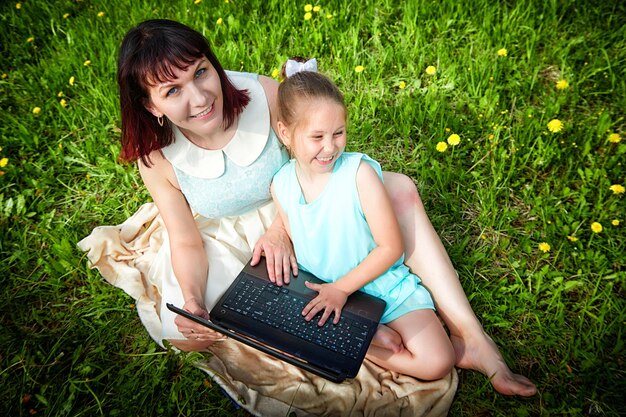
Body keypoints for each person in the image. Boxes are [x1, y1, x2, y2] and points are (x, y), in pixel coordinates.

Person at [114, 19, 536, 396]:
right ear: (151, 106)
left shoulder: (262, 93)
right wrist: (191, 297)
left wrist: (281, 227)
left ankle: (471, 334)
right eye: (173, 90)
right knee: (189, 332)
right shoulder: (156, 157)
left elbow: (312, 152)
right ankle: (361, 336)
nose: (201, 96)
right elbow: (184, 238)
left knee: (401, 190)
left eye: (201, 72)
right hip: (234, 241)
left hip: (305, 205)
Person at [270, 62, 456, 380]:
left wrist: (342, 289)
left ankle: (360, 343)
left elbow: (390, 246)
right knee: (278, 335)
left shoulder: (359, 174)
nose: (330, 147)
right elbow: (296, 237)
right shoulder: (281, 185)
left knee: (439, 361)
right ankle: (367, 339)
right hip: (328, 293)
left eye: (338, 133)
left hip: (378, 282)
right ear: (285, 133)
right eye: (317, 137)